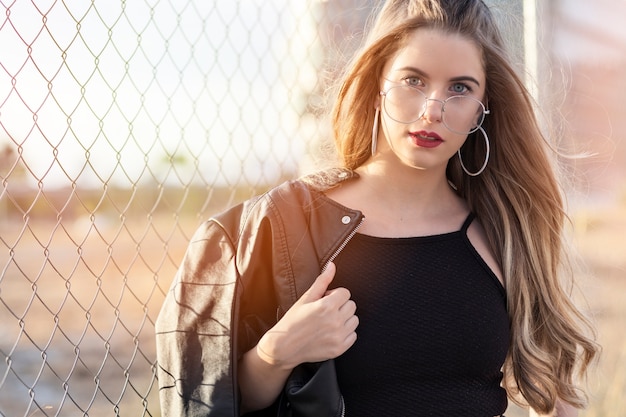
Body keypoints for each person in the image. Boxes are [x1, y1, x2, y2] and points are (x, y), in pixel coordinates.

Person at [155, 0, 599, 416]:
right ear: (375, 89)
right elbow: (210, 398)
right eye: (413, 80)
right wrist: (277, 353)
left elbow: (552, 386)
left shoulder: (505, 229)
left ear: (482, 110)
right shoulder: (285, 225)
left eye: (459, 88)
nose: (432, 110)